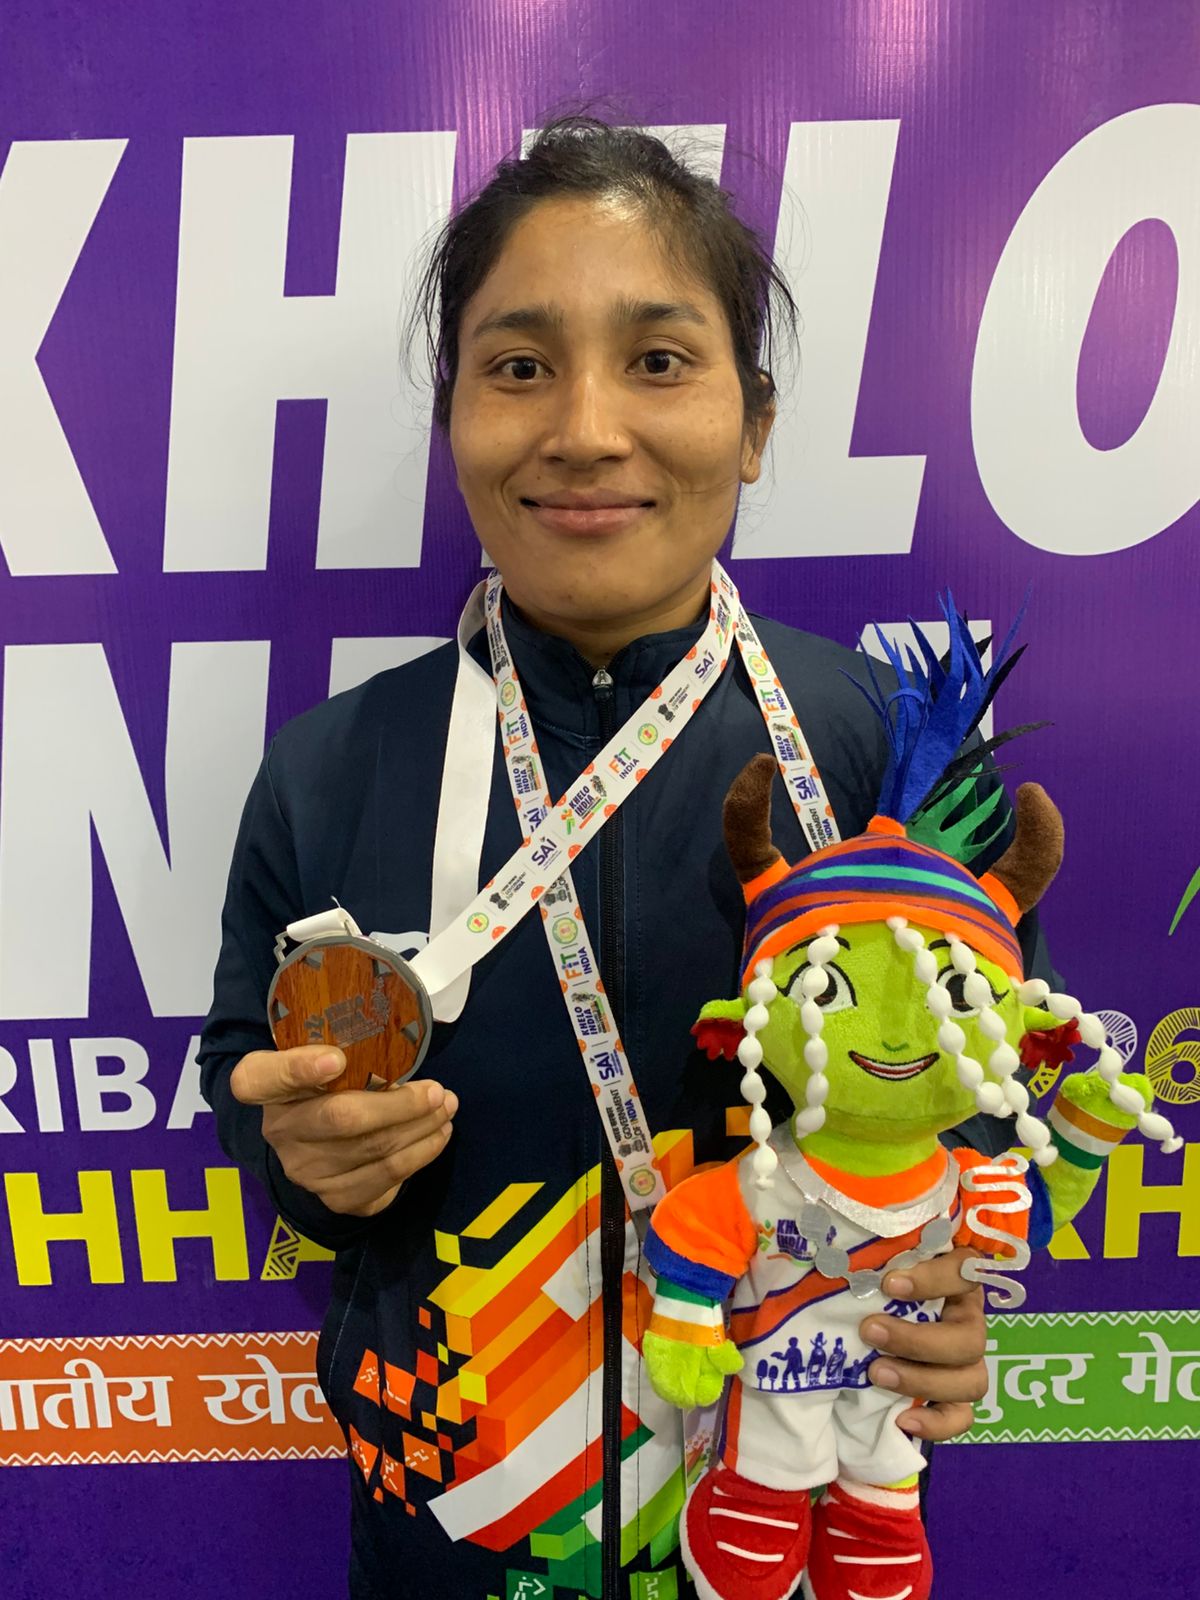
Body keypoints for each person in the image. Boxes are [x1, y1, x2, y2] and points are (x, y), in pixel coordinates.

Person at [199, 114, 1056, 1600]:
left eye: (659, 360)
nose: (587, 429)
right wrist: (301, 1159)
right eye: (519, 366)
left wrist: (950, 1283)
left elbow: (986, 1099)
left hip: (786, 1510)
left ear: (756, 421)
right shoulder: (331, 769)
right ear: (454, 414)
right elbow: (243, 1079)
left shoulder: (888, 761)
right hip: (458, 1530)